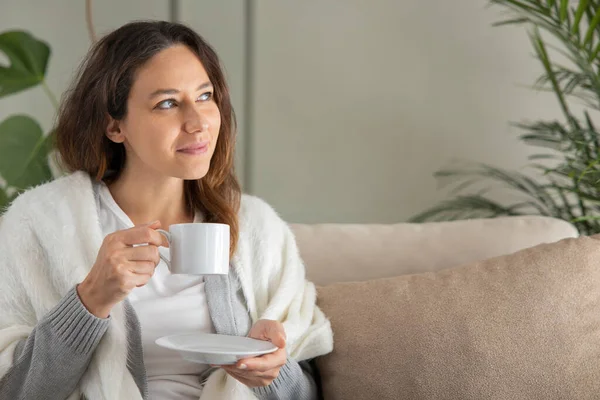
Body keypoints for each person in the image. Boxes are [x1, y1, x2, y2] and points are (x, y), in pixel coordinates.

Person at [0, 20, 333, 400]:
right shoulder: (40, 225)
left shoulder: (257, 228)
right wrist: (90, 299)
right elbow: (15, 392)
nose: (198, 123)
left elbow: (306, 394)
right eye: (168, 103)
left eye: (205, 97)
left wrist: (271, 371)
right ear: (114, 126)